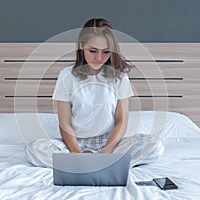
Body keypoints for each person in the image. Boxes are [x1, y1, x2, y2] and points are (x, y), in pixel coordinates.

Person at [25, 18, 163, 168]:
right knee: (34, 149)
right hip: (75, 143)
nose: (99, 58)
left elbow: (121, 121)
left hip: (111, 143)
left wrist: (106, 152)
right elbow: (64, 123)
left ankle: (89, 165)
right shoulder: (66, 76)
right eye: (92, 51)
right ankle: (99, 165)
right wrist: (77, 153)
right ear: (82, 46)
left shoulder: (120, 78)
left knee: (154, 146)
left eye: (106, 52)